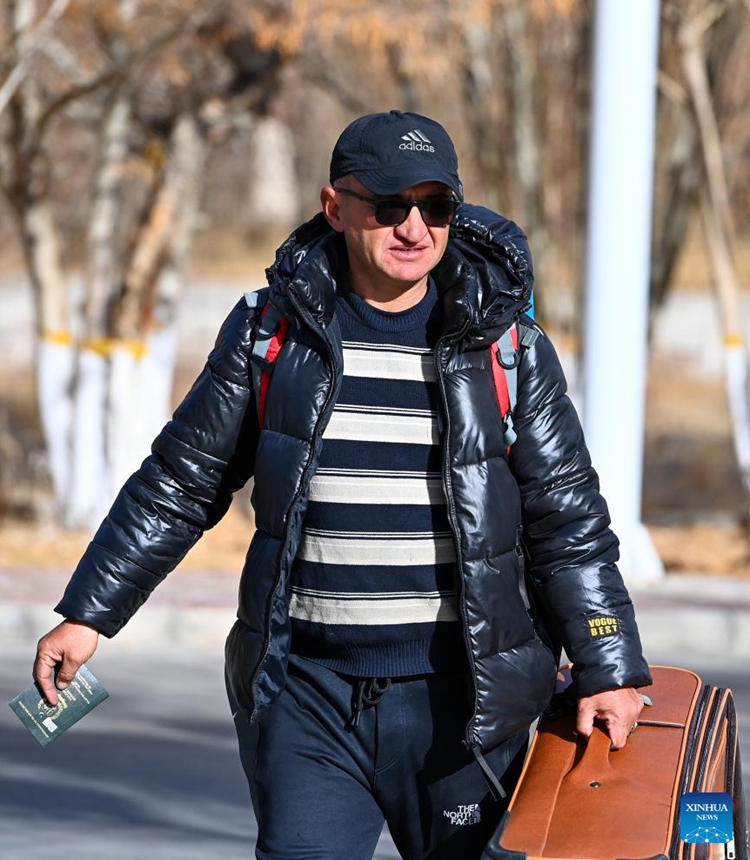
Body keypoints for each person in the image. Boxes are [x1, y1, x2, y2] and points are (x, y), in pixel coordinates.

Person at [33, 109, 652, 859]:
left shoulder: (508, 347)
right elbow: (180, 482)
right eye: (390, 205)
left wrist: (607, 667)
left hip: (466, 704)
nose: (414, 228)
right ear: (336, 208)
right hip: (307, 696)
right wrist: (89, 613)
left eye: (436, 206)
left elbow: (568, 524)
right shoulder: (269, 334)